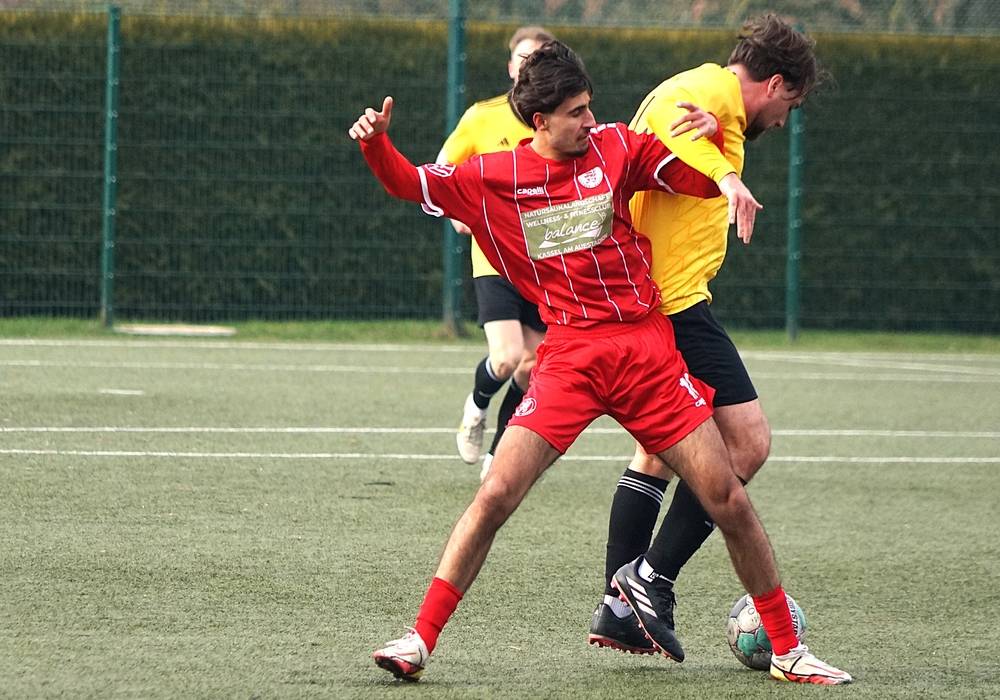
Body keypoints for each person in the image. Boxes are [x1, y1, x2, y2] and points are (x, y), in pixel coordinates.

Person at [350, 41, 850, 686]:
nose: (592, 120)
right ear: (540, 122)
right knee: (496, 493)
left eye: (590, 106)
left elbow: (691, 182)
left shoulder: (614, 147)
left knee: (727, 495)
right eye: (577, 112)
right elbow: (408, 181)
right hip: (571, 359)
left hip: (646, 353)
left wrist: (716, 149)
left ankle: (787, 650)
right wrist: (376, 144)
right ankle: (418, 639)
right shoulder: (492, 178)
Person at [588, 15, 831, 659]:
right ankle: (649, 581)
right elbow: (671, 126)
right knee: (747, 443)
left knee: (657, 451)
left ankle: (618, 609)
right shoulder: (709, 91)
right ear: (774, 84)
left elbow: (668, 139)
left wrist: (719, 159)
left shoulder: (708, 101)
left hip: (657, 300)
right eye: (789, 105)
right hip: (675, 306)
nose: (783, 121)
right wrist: (726, 177)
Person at [440, 27, 553, 478]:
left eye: (539, 59)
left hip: (544, 263)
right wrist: (458, 212)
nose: (529, 67)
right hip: (495, 259)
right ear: (511, 67)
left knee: (534, 367)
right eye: (523, 59)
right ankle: (477, 405)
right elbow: (443, 170)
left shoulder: (561, 120)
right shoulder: (481, 117)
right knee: (506, 357)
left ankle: (496, 458)